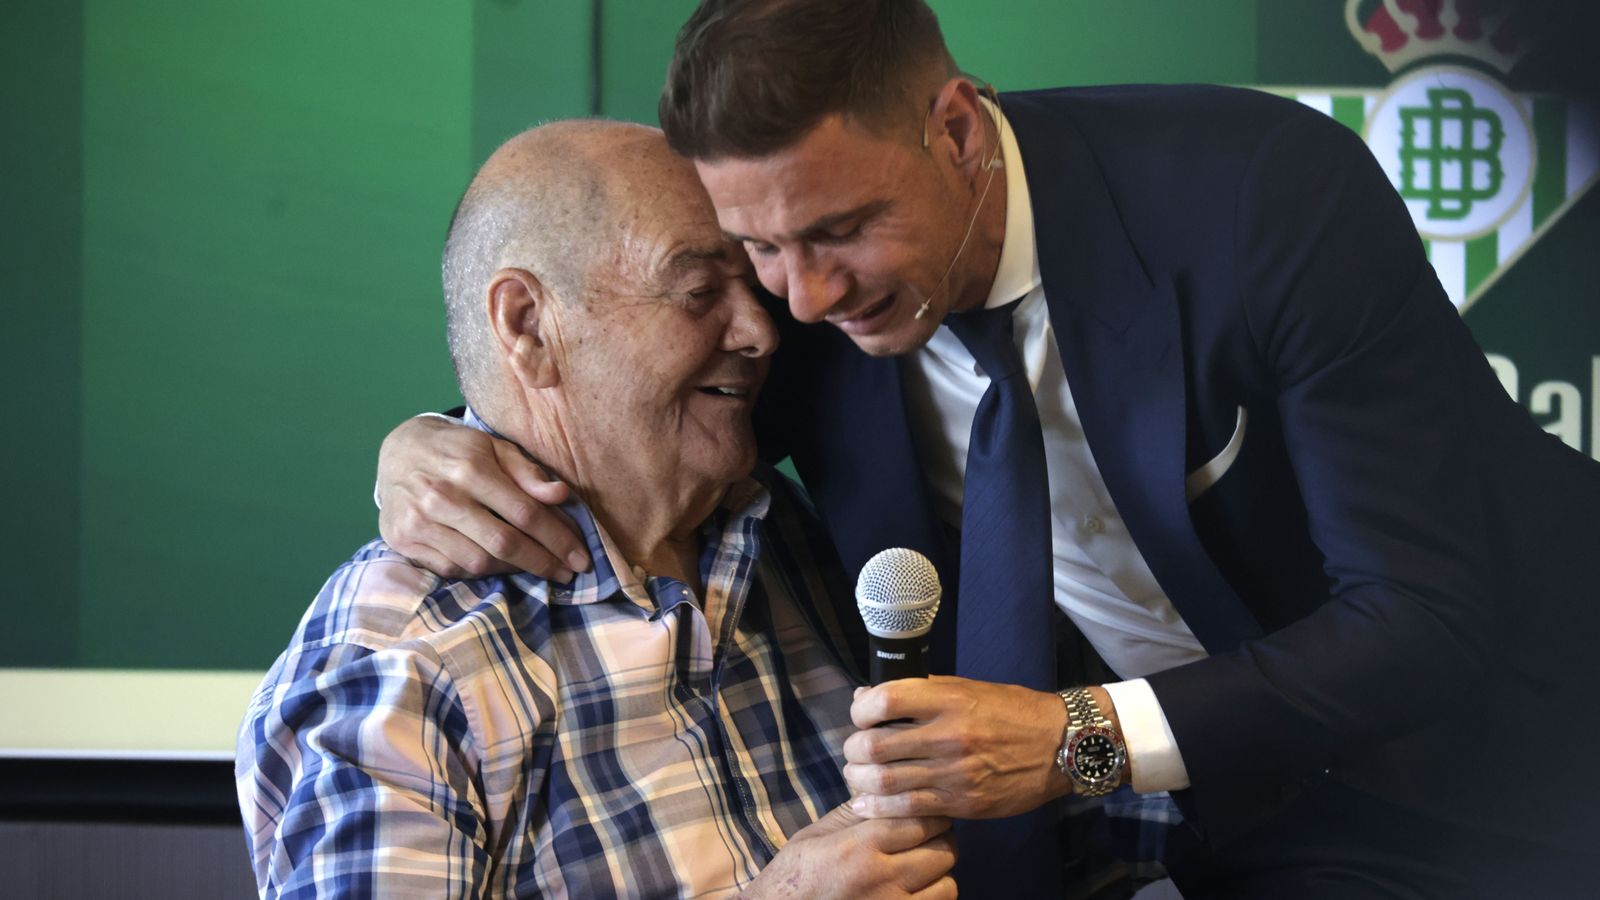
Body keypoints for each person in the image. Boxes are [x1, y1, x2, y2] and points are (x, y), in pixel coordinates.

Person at [374, 1, 1600, 896]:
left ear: (957, 129)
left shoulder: (1261, 200)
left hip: (1528, 770)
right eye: (756, 250)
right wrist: (433, 440)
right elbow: (599, 381)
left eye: (840, 229)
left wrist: (1074, 739)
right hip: (1251, 839)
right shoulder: (803, 308)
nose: (795, 302)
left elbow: (1428, 614)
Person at [236, 119, 960, 899]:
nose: (761, 332)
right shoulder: (398, 666)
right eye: (696, 293)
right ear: (527, 325)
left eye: (752, 287)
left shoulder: (783, 531)